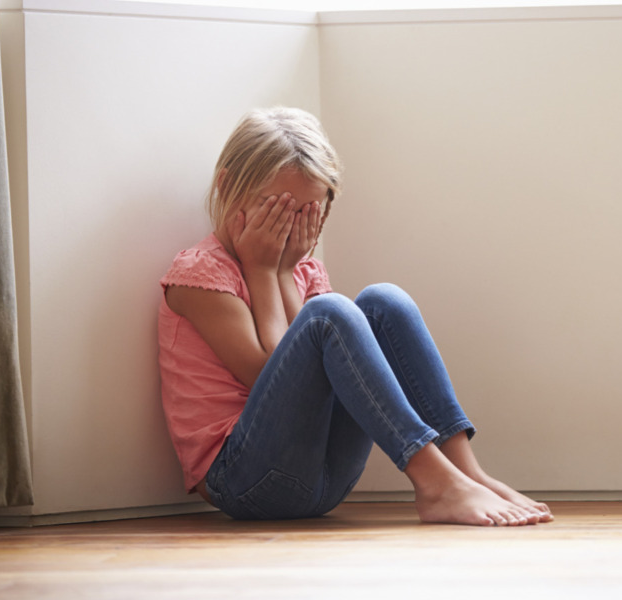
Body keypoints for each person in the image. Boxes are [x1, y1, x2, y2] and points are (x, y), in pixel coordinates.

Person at [158, 106, 552, 526]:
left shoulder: (305, 270)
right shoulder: (200, 275)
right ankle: (435, 482)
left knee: (384, 302)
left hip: (325, 478)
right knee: (329, 313)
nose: (290, 230)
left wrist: (286, 272)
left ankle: (464, 473)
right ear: (228, 186)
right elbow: (268, 377)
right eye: (276, 209)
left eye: (306, 214)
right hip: (244, 479)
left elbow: (321, 378)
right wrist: (263, 271)